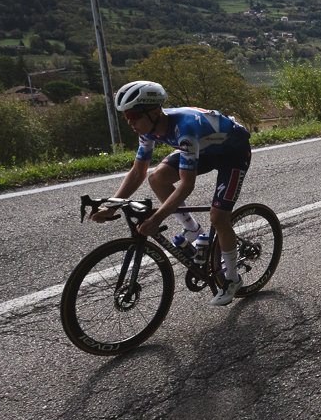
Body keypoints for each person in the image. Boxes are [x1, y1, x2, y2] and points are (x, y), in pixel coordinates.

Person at [93, 80, 252, 306]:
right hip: (204, 149)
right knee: (156, 179)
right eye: (127, 116)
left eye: (134, 116)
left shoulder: (184, 129)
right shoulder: (148, 129)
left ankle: (233, 279)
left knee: (218, 217)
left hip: (233, 154)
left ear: (155, 111)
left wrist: (156, 219)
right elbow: (137, 172)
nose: (131, 123)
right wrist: (113, 205)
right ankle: (193, 229)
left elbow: (187, 185)